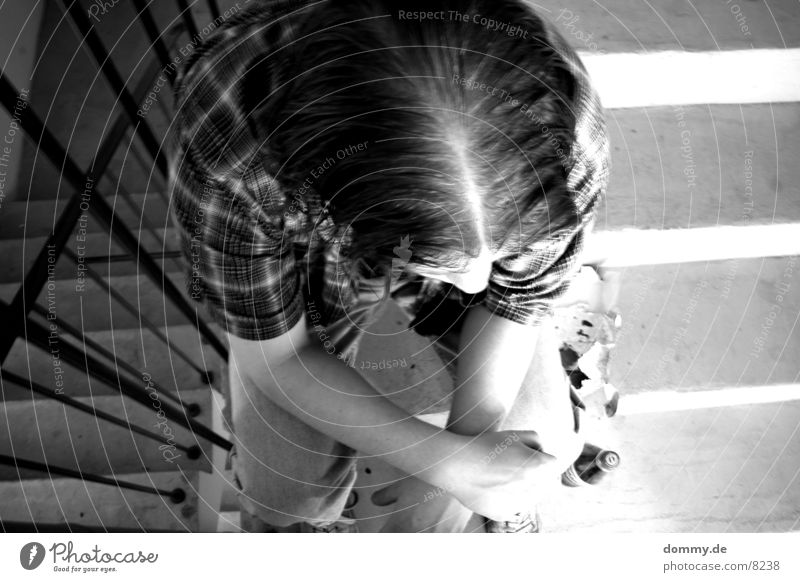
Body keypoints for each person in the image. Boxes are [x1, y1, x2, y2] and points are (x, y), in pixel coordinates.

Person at [168, 0, 611, 532]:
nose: (478, 283)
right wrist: (438, 460)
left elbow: (512, 302)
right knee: (287, 492)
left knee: (542, 440)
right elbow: (279, 359)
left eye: (499, 251)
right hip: (307, 249)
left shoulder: (563, 124)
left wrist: (467, 463)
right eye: (445, 261)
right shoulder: (232, 161)